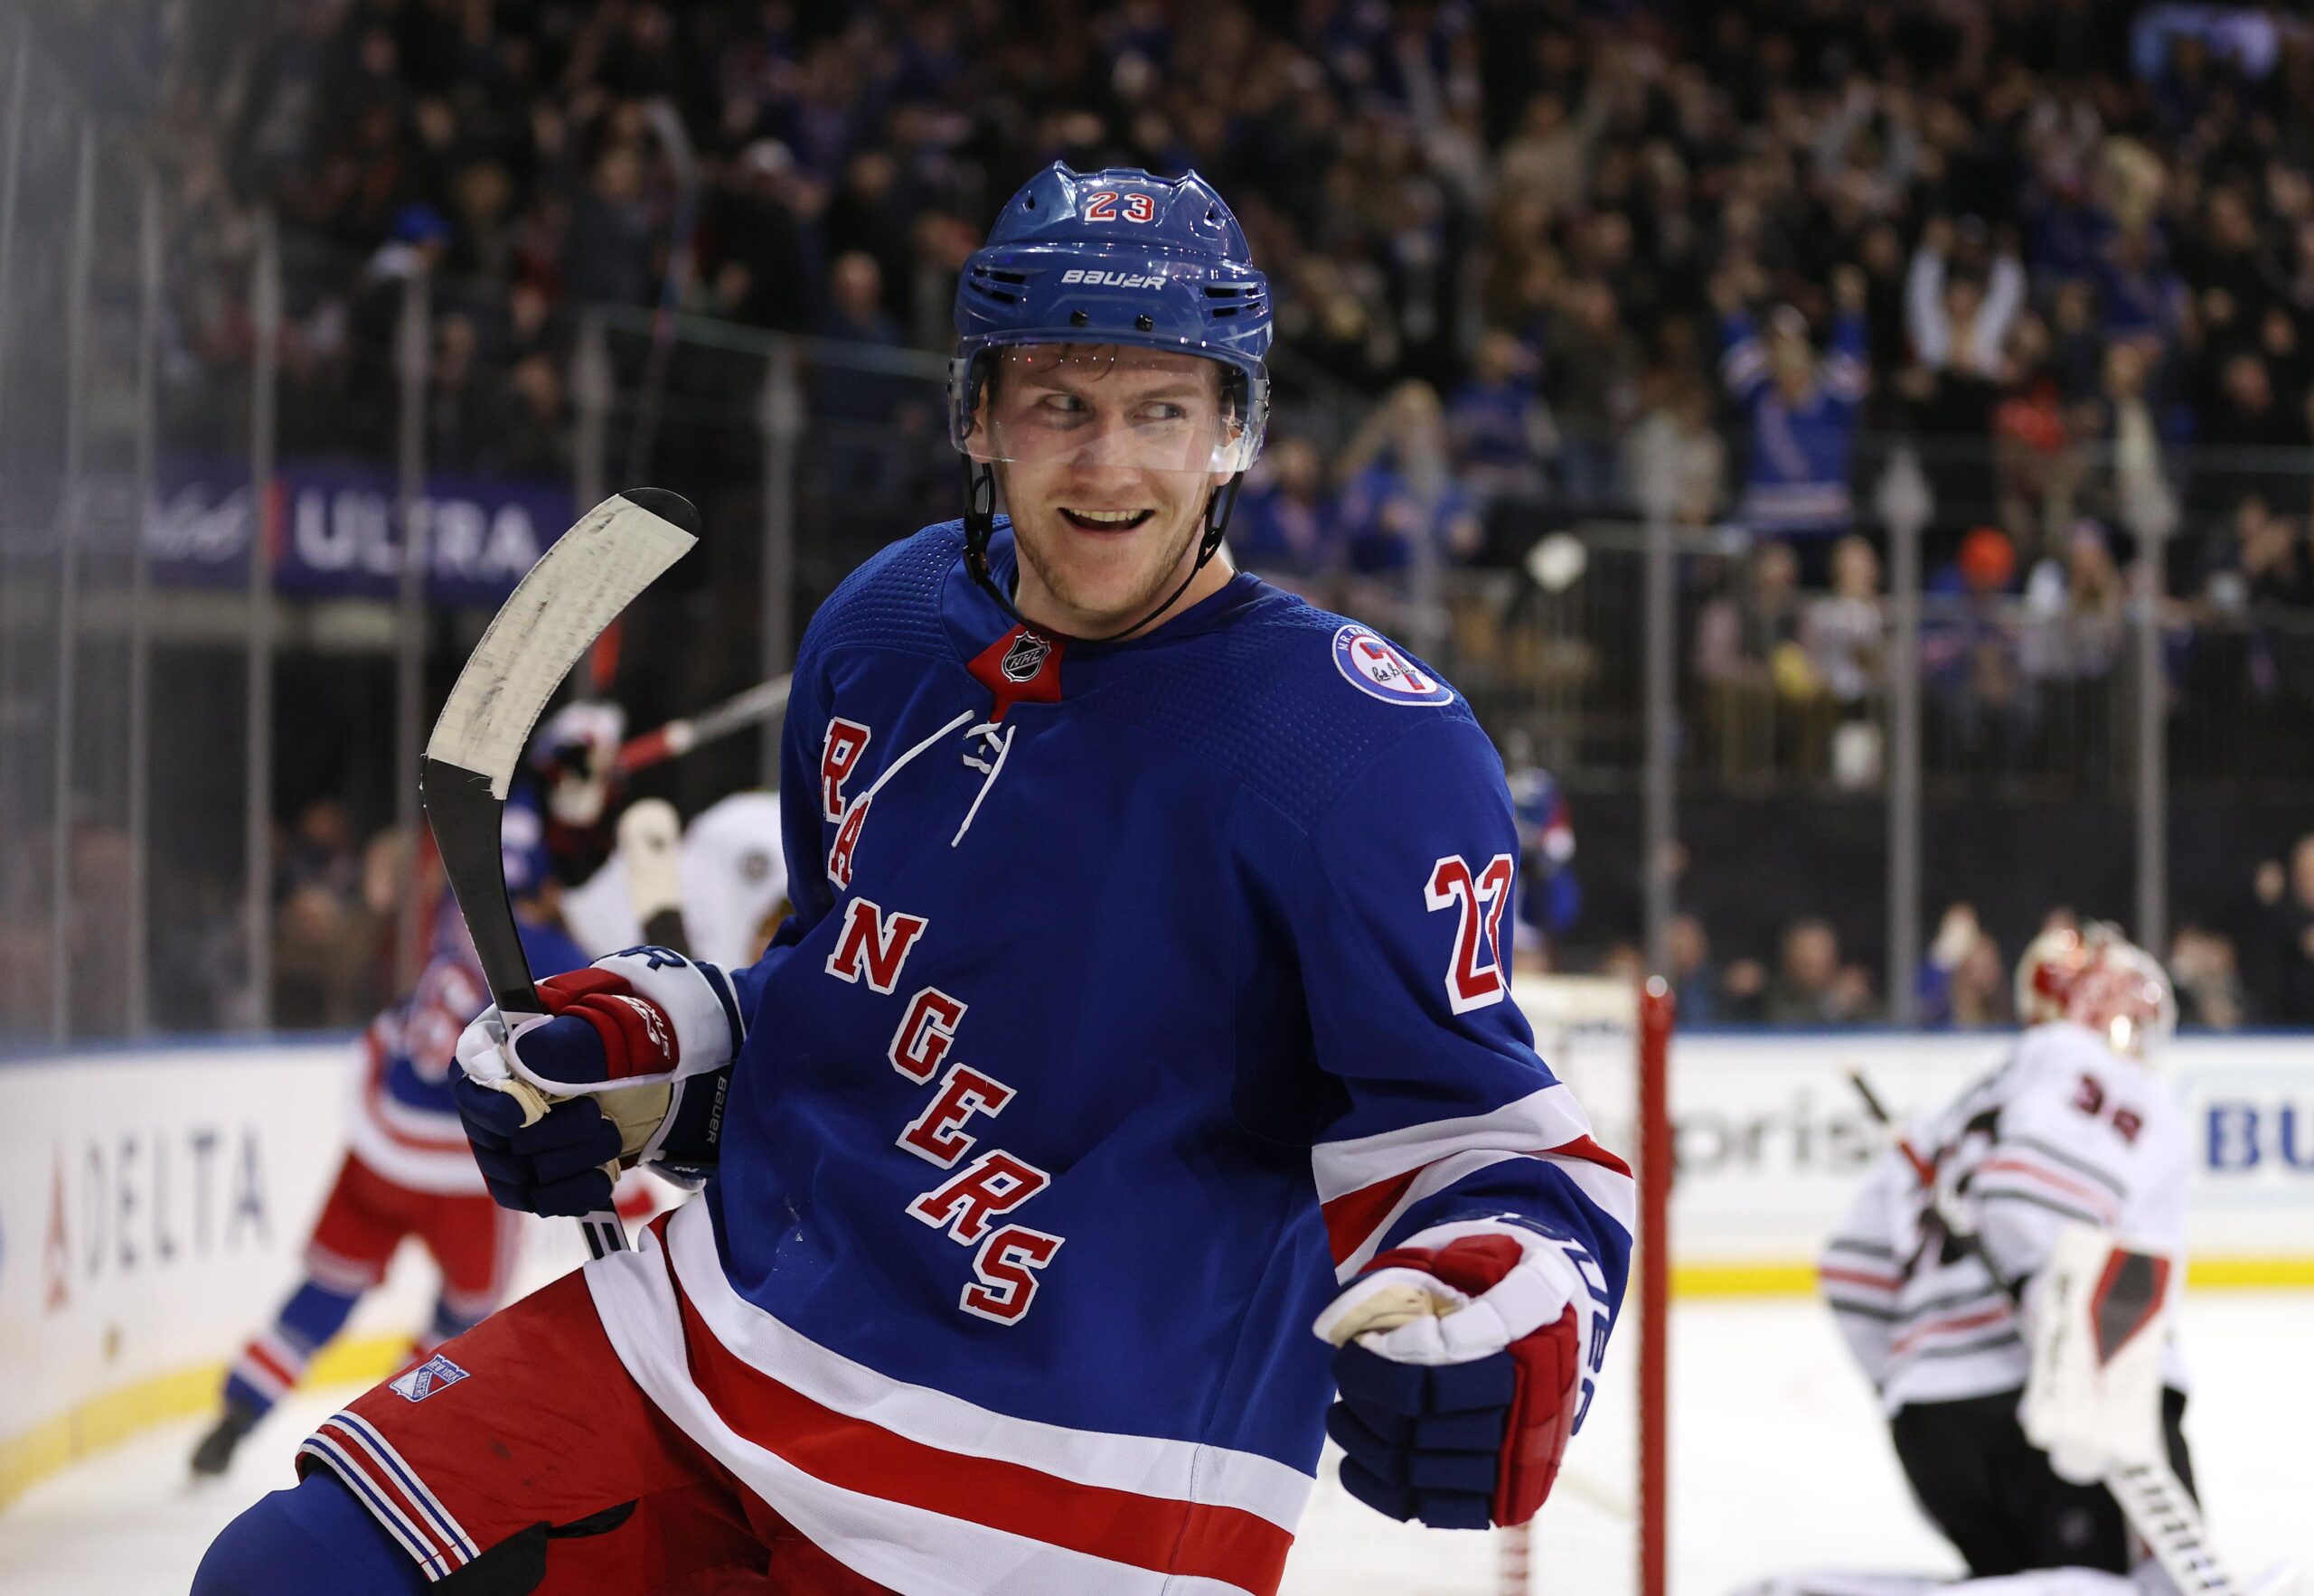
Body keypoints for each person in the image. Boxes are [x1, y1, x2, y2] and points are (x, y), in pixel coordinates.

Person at [195, 164, 1632, 1596]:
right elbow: (841, 985)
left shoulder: (1362, 747)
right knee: (281, 1574)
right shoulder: (882, 627)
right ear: (977, 416)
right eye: (1058, 404)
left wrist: (1511, 1299)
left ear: (1234, 431)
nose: (1109, 465)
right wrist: (655, 1046)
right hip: (712, 1333)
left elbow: (1484, 1136)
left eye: (1161, 410)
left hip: (1065, 1483)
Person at [187, 798, 592, 1479]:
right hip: (465, 1167)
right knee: (464, 1319)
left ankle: (239, 1413)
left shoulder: (448, 910)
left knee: (327, 1288)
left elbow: (459, 824)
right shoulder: (555, 956)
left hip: (381, 1136)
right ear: (547, 886)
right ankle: (394, 1432)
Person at [1806, 925, 2193, 1585]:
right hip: (2053, 1418)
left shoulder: (1952, 1113)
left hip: (1932, 1433)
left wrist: (1913, 1375)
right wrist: (2062, 1335)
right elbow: (2030, 1192)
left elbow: (1850, 1270)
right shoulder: (2101, 1076)